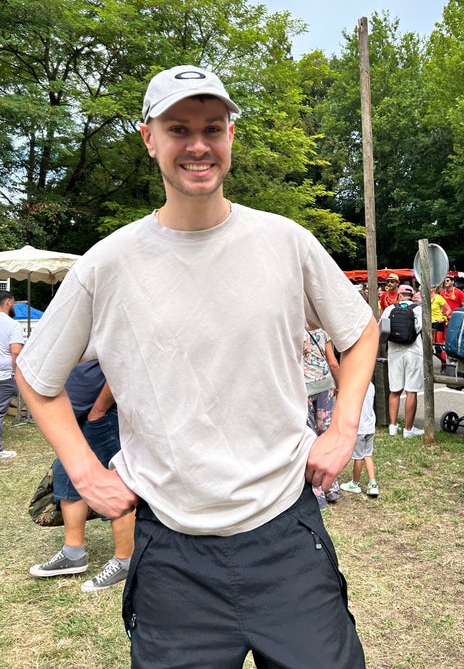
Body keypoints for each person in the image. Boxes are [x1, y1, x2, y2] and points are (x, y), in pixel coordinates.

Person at [16, 65, 379, 669]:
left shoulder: (284, 242)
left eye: (212, 128)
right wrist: (84, 470)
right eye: (178, 129)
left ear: (230, 136)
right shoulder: (108, 264)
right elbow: (36, 375)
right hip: (172, 553)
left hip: (285, 532)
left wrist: (343, 429)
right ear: (148, 138)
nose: (198, 145)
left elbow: (360, 329)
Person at [29, 360, 135, 591]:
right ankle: (73, 553)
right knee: (66, 476)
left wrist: (99, 410)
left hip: (103, 413)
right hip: (74, 415)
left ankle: (125, 560)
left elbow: (122, 364)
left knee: (114, 482)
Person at [380, 284, 424, 438]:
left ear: (399, 295)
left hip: (394, 352)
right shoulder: (419, 310)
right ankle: (408, 429)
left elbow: (382, 330)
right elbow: (421, 329)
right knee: (411, 390)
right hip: (413, 351)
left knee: (395, 390)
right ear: (412, 296)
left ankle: (393, 426)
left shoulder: (389, 309)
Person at [304, 328, 341, 508]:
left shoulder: (295, 329)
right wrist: (340, 385)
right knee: (326, 435)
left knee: (310, 438)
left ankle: (317, 493)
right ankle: (331, 487)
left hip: (304, 388)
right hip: (325, 387)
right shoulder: (323, 331)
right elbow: (333, 362)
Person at [340, 381, 378, 496]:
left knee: (358, 457)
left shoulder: (354, 385)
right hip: (370, 426)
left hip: (359, 428)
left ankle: (355, 484)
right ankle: (373, 485)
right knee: (368, 455)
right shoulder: (371, 385)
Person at [0, 291, 24, 459]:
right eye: (13, 302)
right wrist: (16, 371)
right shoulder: (12, 324)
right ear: (8, 302)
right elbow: (16, 350)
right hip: (5, 375)